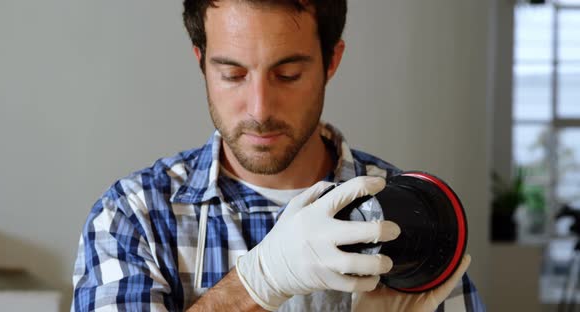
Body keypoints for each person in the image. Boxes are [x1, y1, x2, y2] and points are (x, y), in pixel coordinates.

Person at [71, 0, 486, 311]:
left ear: (331, 61)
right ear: (201, 63)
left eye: (288, 75)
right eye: (232, 74)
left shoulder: (411, 210)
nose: (259, 109)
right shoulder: (134, 215)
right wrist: (258, 281)